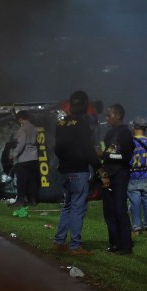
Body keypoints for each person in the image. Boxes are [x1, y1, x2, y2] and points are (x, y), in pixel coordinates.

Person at [52, 90, 101, 255]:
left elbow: (56, 148)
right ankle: (75, 245)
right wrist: (98, 166)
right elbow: (88, 150)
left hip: (64, 171)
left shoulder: (61, 123)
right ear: (86, 105)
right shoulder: (82, 124)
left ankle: (59, 242)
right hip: (78, 172)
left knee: (67, 206)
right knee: (78, 208)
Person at [98, 103, 135, 254]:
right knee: (109, 210)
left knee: (119, 209)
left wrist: (104, 155)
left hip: (120, 174)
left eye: (109, 115)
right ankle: (114, 243)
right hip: (108, 174)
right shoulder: (109, 133)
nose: (107, 118)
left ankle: (126, 245)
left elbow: (124, 157)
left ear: (118, 116)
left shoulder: (125, 133)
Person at [127, 116, 147, 235]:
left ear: (133, 127)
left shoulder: (129, 142)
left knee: (134, 203)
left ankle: (136, 228)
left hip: (133, 176)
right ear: (146, 127)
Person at [10, 110, 39, 206]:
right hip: (34, 158)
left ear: (21, 119)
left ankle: (20, 200)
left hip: (24, 159)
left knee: (22, 181)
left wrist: (14, 154)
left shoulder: (22, 129)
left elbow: (21, 144)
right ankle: (33, 200)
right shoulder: (34, 128)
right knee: (32, 181)